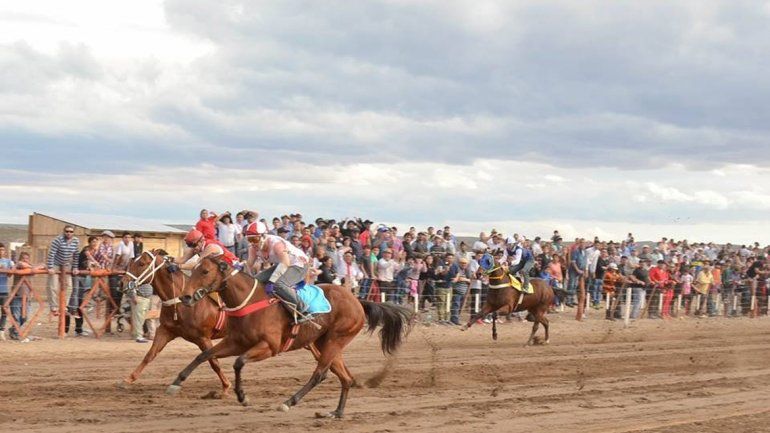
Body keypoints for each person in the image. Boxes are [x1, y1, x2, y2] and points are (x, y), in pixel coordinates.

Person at [244, 222, 312, 322]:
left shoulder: (277, 244)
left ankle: (303, 308)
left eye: (254, 239)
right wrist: (238, 269)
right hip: (282, 264)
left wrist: (272, 281)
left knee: (278, 284)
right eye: (249, 240)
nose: (252, 243)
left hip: (299, 265)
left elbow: (285, 263)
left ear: (263, 236)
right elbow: (248, 264)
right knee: (255, 281)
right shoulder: (253, 248)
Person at [46, 225, 80, 317]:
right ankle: (54, 307)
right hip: (56, 263)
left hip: (66, 264)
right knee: (53, 285)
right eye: (67, 231)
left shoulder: (76, 241)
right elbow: (51, 253)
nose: (69, 233)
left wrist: (75, 267)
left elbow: (76, 255)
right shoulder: (58, 240)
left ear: (73, 233)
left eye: (71, 231)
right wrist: (50, 267)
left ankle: (64, 306)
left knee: (69, 286)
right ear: (64, 232)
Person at [0, 243, 13, 341]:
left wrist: (7, 270)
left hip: (4, 290)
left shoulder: (8, 261)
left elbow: (10, 275)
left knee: (4, 311)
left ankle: (1, 330)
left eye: (2, 250)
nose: (1, 252)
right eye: (0, 250)